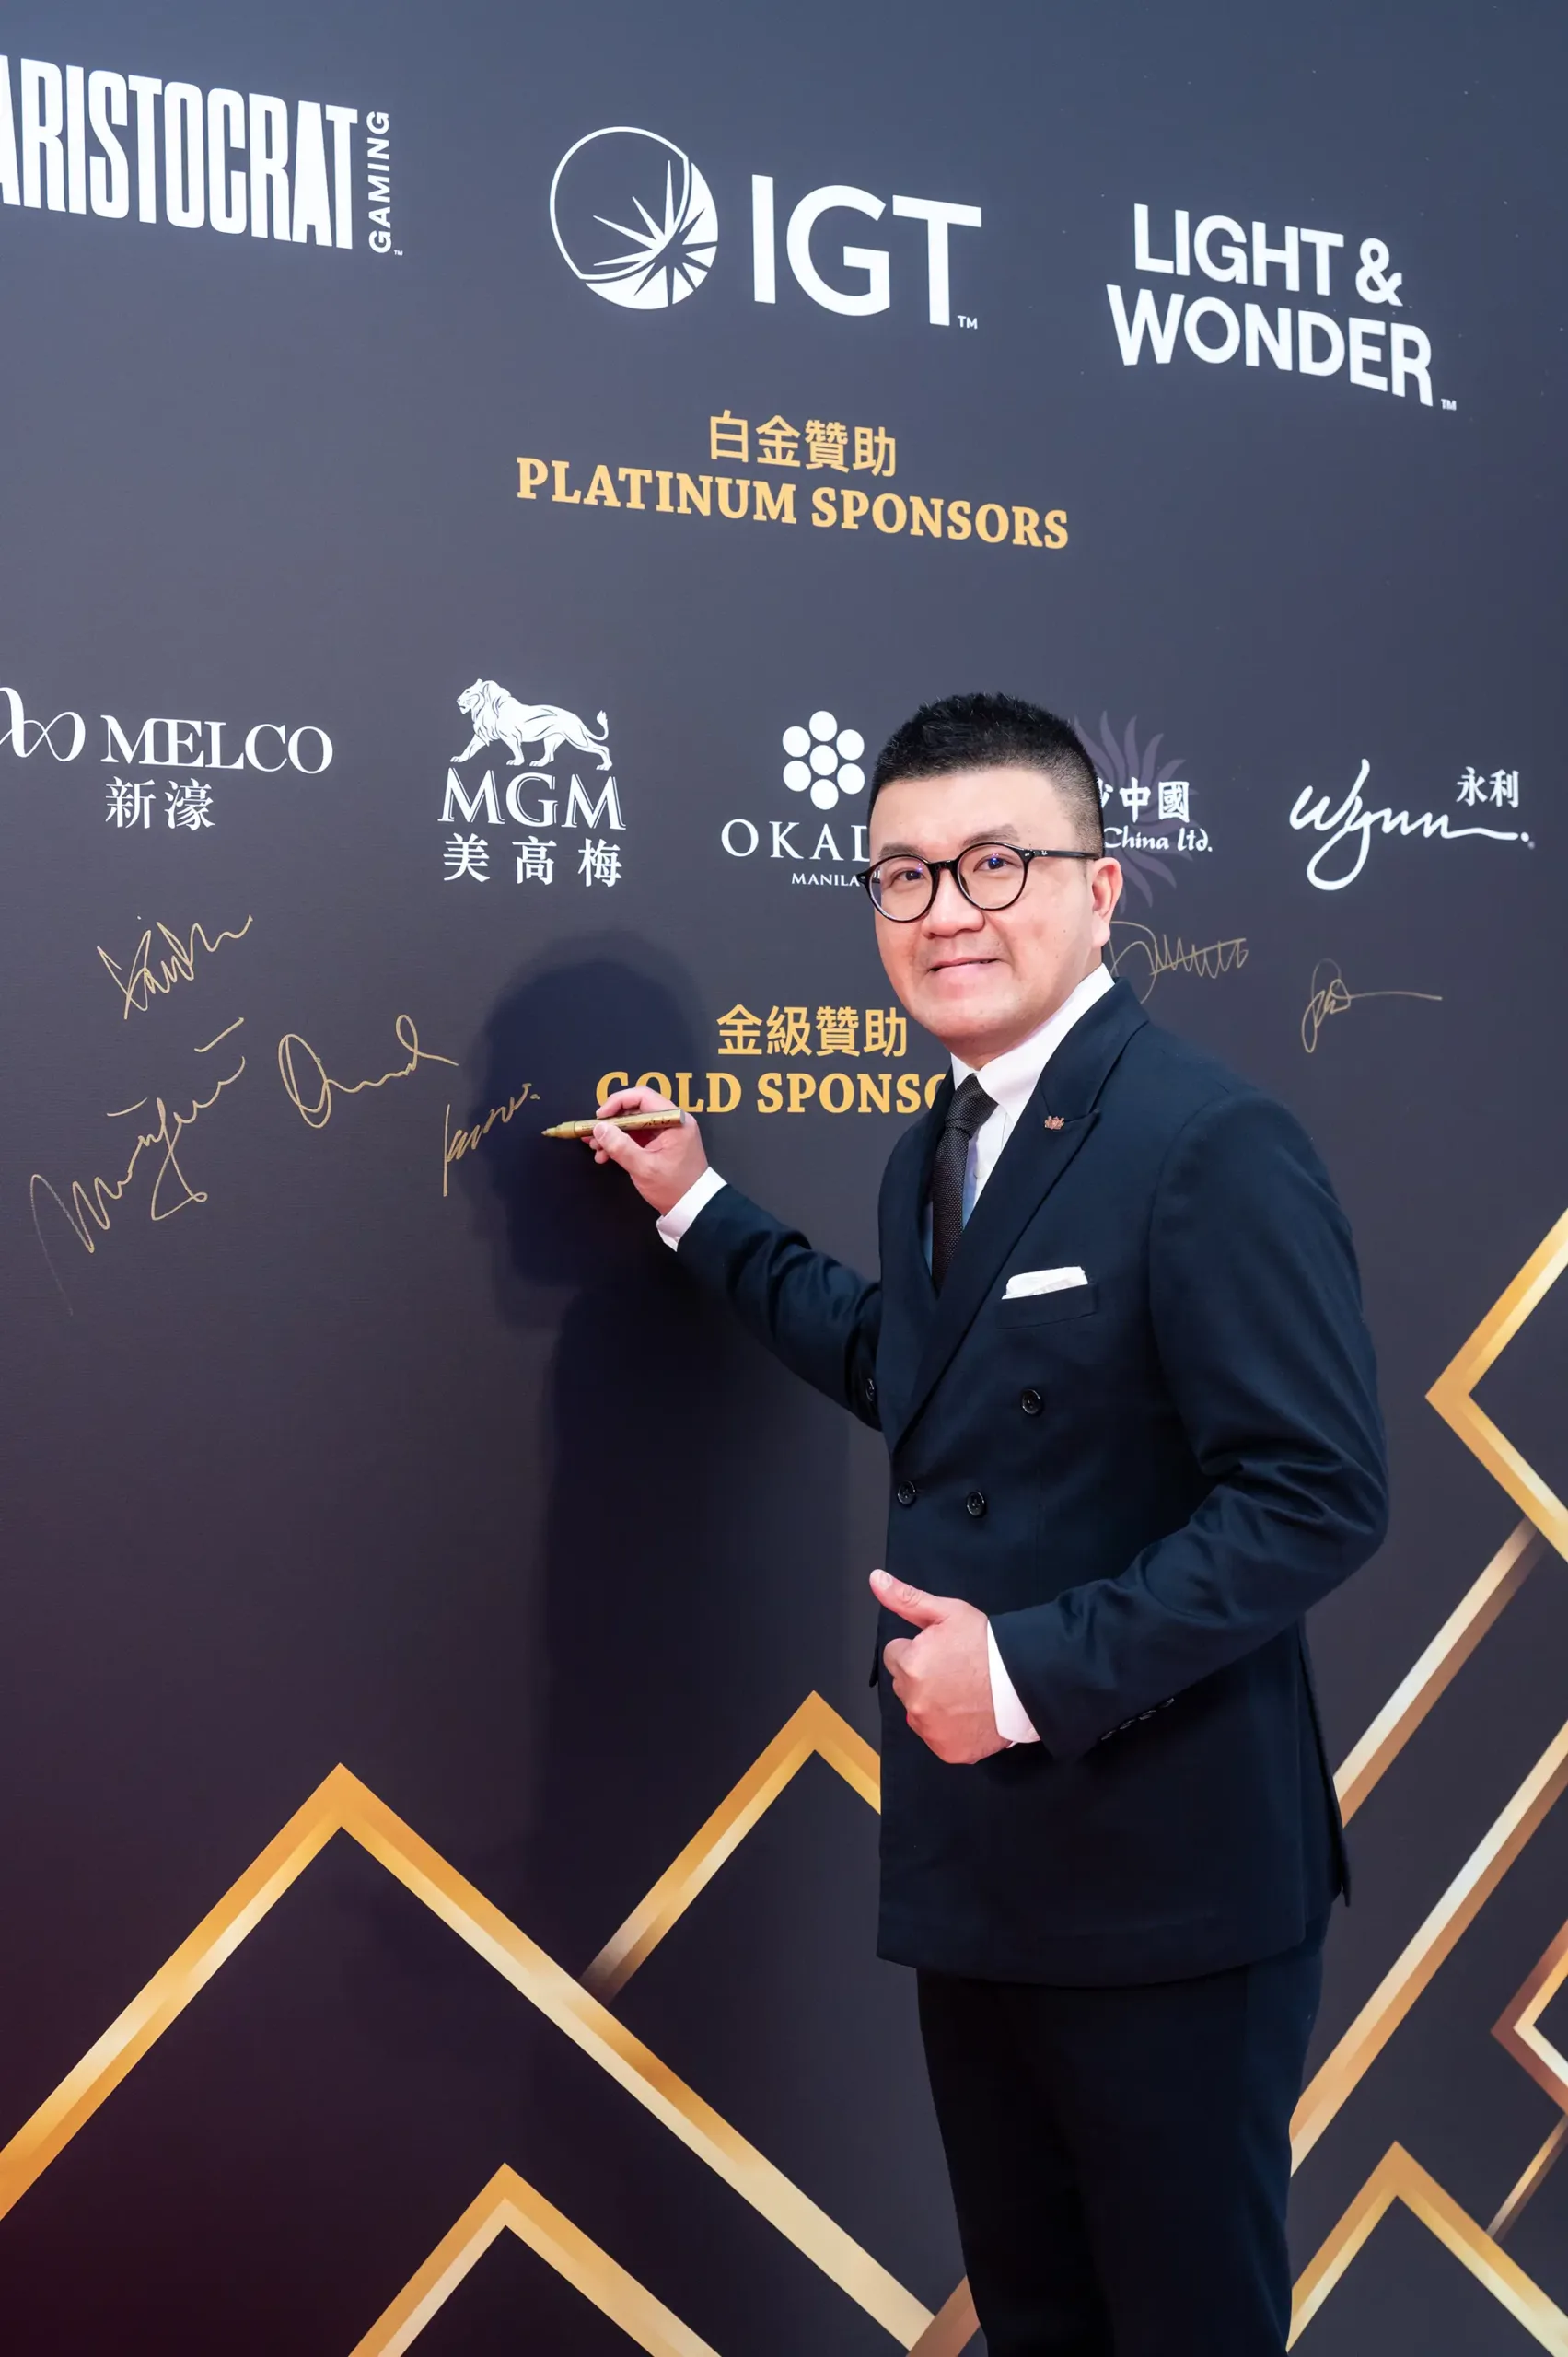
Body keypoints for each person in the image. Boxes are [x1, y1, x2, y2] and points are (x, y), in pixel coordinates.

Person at [586, 692, 1387, 2357]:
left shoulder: (1207, 1141)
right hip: (987, 1866)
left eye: (993, 863)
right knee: (1034, 2321)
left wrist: (1022, 1674)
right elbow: (916, 1367)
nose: (946, 909)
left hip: (1168, 1885)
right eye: (904, 875)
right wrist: (699, 1210)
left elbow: (1314, 1494)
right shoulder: (934, 1149)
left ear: (1100, 889)